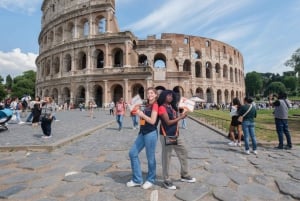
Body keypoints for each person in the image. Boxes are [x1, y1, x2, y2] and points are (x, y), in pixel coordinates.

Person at [157, 90, 196, 190]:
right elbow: (168, 122)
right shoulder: (161, 108)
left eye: (172, 95)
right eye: (168, 95)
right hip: (167, 135)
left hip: (175, 134)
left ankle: (184, 174)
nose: (170, 97)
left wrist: (182, 114)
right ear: (164, 96)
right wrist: (181, 118)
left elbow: (175, 118)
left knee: (183, 151)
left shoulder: (171, 107)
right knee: (167, 157)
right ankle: (166, 179)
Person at [127, 87, 159, 190]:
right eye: (148, 93)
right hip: (143, 132)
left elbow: (153, 121)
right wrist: (138, 113)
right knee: (132, 153)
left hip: (151, 133)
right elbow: (143, 120)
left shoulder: (155, 105)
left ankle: (151, 179)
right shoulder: (147, 105)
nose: (149, 95)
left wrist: (141, 114)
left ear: (155, 95)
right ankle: (137, 179)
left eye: (151, 93)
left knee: (150, 158)